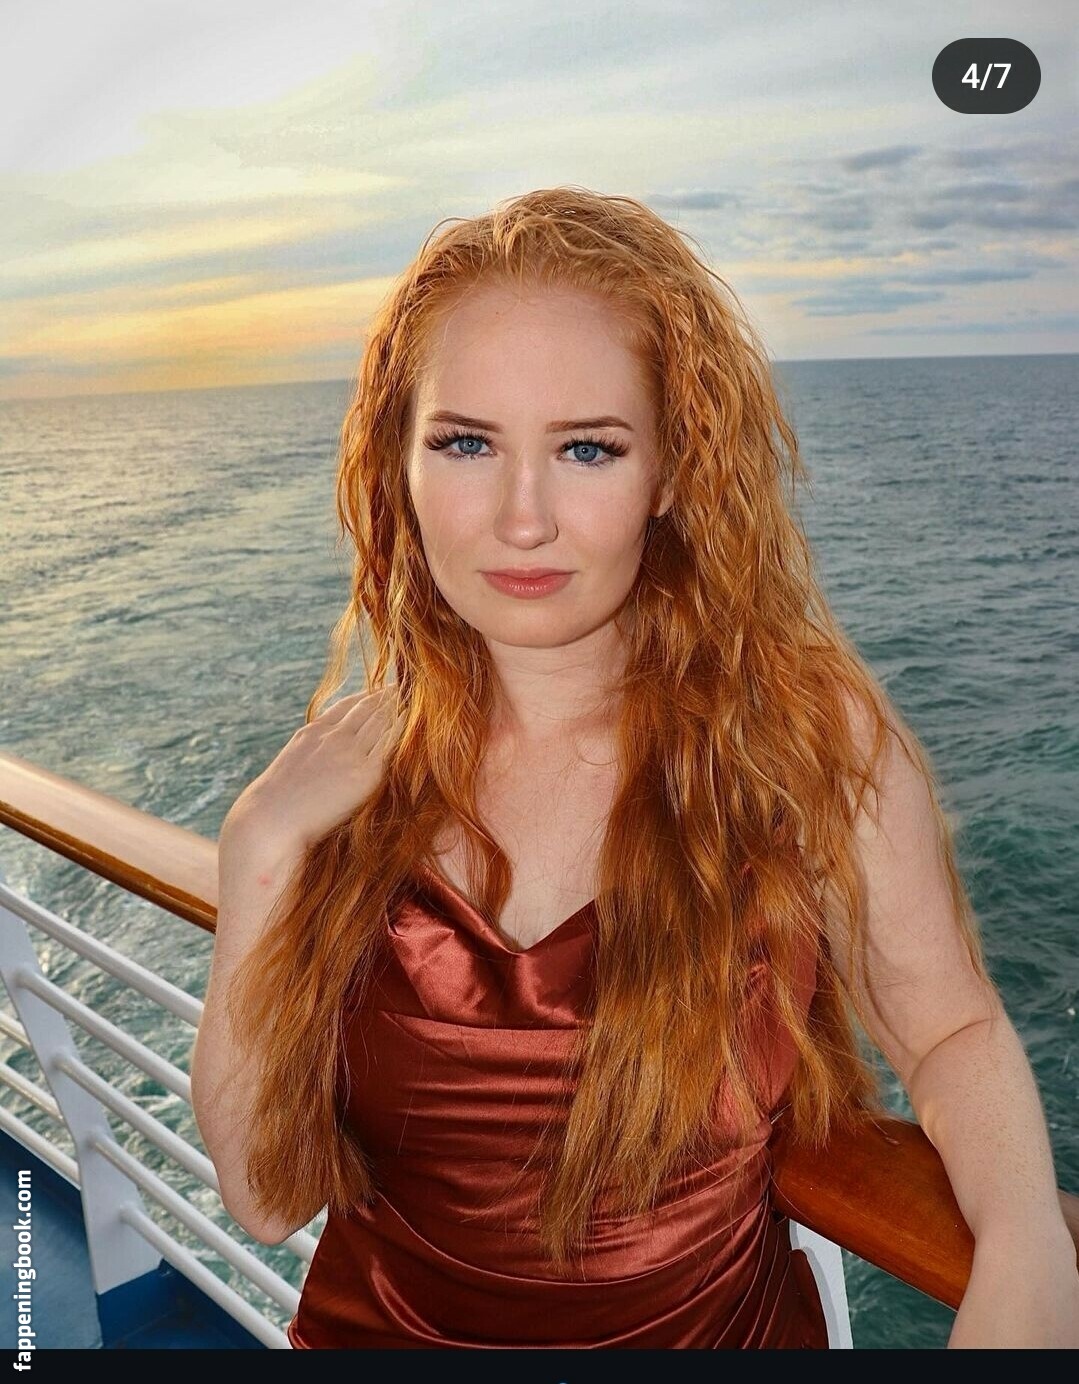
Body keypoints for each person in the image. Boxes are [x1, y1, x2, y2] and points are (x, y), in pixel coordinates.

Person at [190, 187, 1079, 1350]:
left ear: (667, 472)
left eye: (586, 448)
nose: (522, 518)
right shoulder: (342, 784)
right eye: (465, 442)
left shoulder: (796, 740)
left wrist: (1023, 1246)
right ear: (398, 461)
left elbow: (947, 1028)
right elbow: (265, 1199)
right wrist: (259, 849)